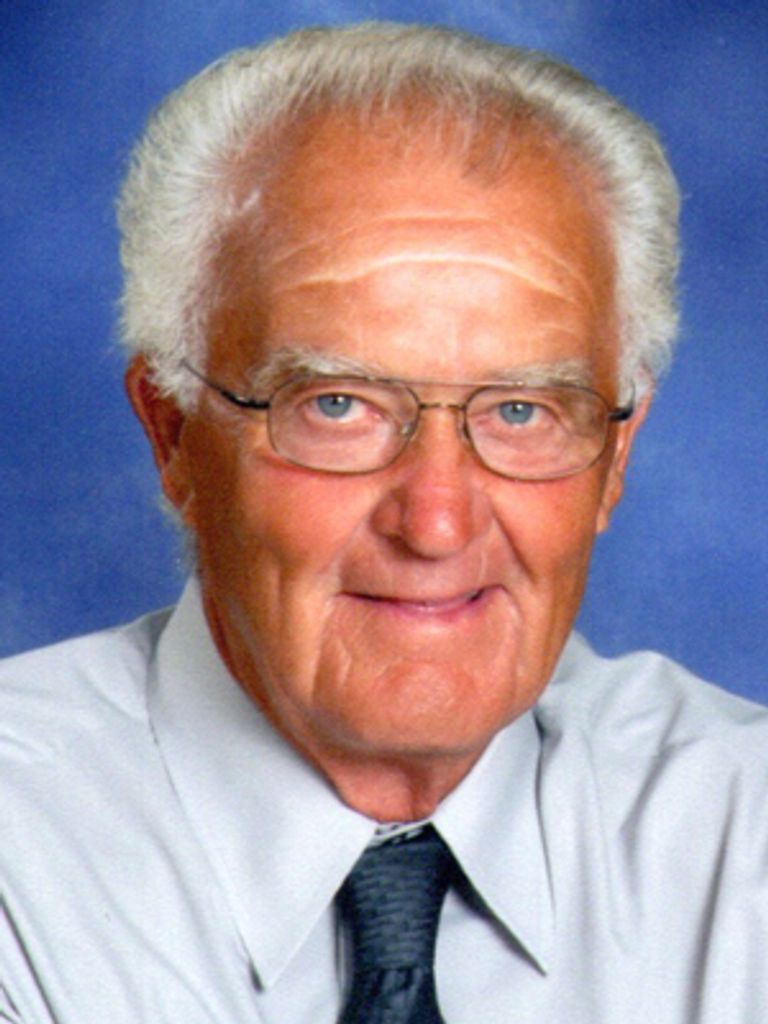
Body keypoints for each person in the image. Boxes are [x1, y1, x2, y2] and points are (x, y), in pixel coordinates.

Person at [1, 21, 766, 1024]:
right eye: (338, 405)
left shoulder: (742, 836)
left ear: (615, 456)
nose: (437, 522)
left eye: (522, 411)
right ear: (172, 431)